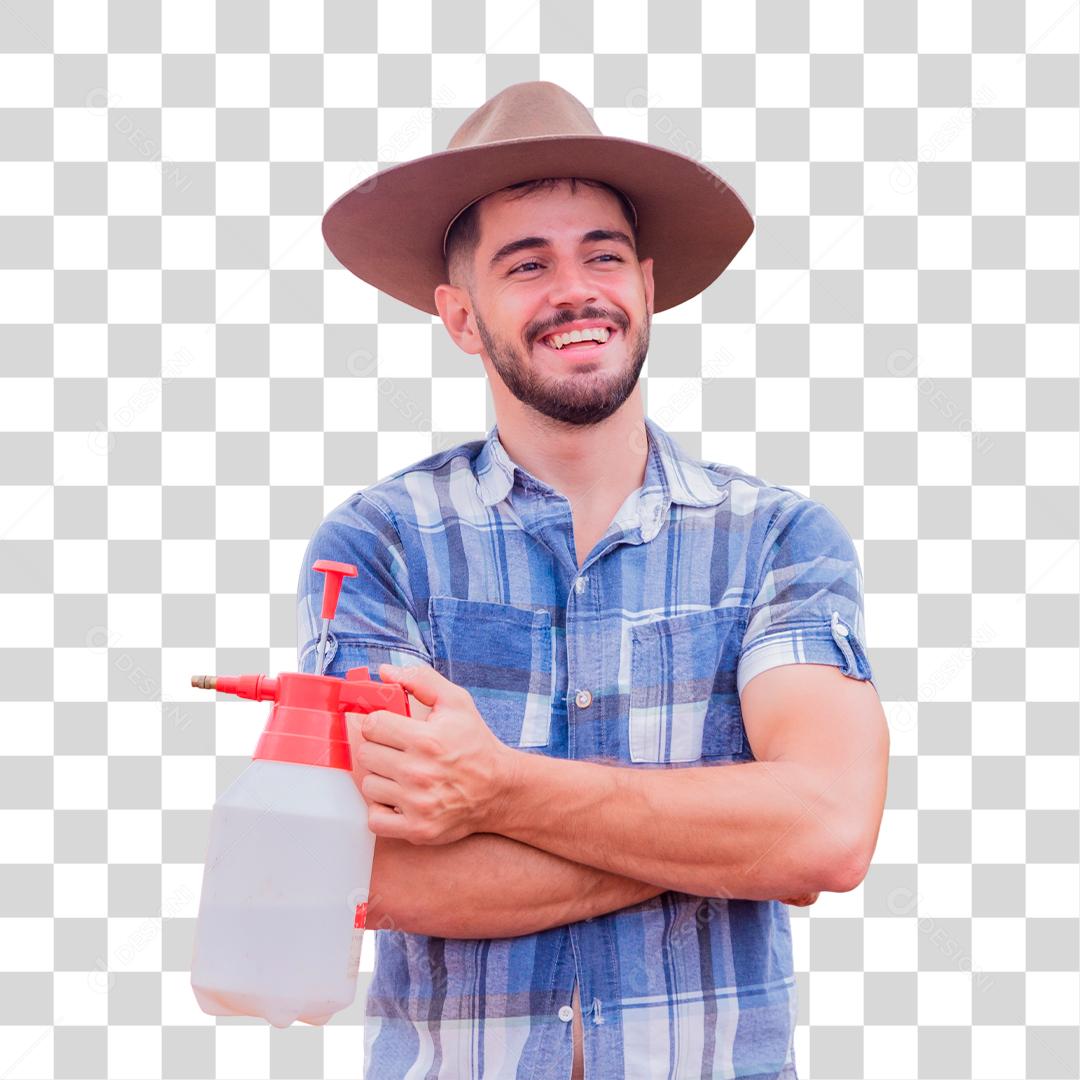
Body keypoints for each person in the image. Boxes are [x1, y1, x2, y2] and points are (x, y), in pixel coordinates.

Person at [298, 81, 889, 1080]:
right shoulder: (380, 544)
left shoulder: (780, 541)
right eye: (526, 264)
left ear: (646, 285)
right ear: (460, 314)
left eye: (602, 255)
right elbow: (368, 870)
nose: (576, 290)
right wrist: (724, 837)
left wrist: (495, 790)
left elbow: (827, 834)